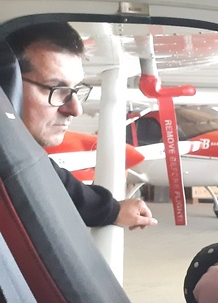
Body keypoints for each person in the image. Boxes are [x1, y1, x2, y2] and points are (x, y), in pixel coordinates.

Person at [6, 22, 156, 229]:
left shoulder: (13, 154)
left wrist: (110, 209)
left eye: (75, 89)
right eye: (56, 88)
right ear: (6, 85)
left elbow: (45, 175)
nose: (75, 110)